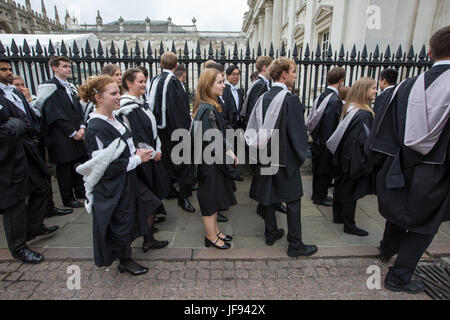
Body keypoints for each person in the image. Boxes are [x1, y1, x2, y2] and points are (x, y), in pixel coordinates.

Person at [367, 26, 450, 294]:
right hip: (438, 171)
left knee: (400, 209)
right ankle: (399, 276)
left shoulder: (404, 86)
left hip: (400, 164)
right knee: (425, 224)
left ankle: (387, 249)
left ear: (428, 52)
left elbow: (384, 131)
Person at [77, 76, 152, 275]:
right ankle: (125, 260)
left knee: (131, 215)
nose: (119, 96)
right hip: (113, 184)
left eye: (118, 92)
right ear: (98, 98)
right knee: (121, 221)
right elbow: (106, 167)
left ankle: (131, 252)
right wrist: (136, 159)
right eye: (114, 93)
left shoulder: (114, 117)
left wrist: (137, 152)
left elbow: (122, 149)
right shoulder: (96, 128)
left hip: (126, 179)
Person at [245, 58, 317, 257]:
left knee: (268, 196)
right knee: (293, 201)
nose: (295, 75)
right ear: (284, 74)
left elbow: (254, 127)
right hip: (285, 158)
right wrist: (300, 157)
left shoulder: (264, 97)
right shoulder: (290, 99)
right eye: (293, 71)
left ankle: (271, 233)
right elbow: (298, 133)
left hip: (265, 155)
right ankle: (295, 244)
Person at [0, 61, 72, 219]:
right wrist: (17, 124)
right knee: (29, 187)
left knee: (44, 180)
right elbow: (9, 120)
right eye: (4, 69)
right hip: (14, 146)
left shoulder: (14, 92)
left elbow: (26, 115)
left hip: (32, 140)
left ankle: (44, 213)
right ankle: (28, 227)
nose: (9, 72)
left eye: (10, 69)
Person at [116, 68, 170, 250]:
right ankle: (146, 237)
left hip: (151, 156)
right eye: (140, 81)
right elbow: (137, 138)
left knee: (153, 196)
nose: (144, 84)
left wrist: (158, 148)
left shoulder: (141, 103)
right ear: (129, 83)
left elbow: (153, 131)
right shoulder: (127, 107)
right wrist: (153, 153)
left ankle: (148, 234)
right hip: (141, 162)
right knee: (149, 199)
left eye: (144, 81)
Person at [191, 68, 238, 250]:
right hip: (208, 163)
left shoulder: (209, 105)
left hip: (211, 162)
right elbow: (212, 137)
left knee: (214, 197)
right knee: (209, 199)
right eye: (219, 82)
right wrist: (229, 152)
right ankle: (210, 236)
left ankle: (216, 231)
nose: (223, 85)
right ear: (208, 85)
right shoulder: (207, 108)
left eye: (223, 81)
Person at [34, 56, 87, 209]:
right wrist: (72, 132)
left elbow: (78, 109)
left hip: (77, 131)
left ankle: (80, 191)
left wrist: (82, 126)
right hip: (60, 136)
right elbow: (54, 114)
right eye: (64, 66)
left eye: (69, 66)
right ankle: (67, 198)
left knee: (78, 163)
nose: (68, 69)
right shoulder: (49, 87)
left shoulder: (70, 87)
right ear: (55, 68)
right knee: (64, 169)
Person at [326, 77, 377, 236]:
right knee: (351, 194)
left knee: (341, 188)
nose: (376, 91)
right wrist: (362, 164)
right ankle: (349, 224)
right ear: (364, 91)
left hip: (342, 158)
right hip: (353, 160)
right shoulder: (363, 113)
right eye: (373, 88)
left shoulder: (350, 108)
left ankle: (338, 216)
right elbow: (363, 142)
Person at [0, 93, 46, 264]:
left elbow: (23, 119)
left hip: (22, 156)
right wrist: (14, 125)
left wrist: (14, 123)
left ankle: (32, 229)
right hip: (5, 164)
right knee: (13, 206)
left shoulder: (2, 97)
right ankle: (18, 247)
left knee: (41, 188)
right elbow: (7, 131)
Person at [147, 52, 195, 213]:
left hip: (159, 130)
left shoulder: (155, 79)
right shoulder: (173, 82)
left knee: (166, 162)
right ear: (176, 65)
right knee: (183, 164)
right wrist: (184, 132)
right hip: (174, 129)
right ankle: (183, 197)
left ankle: (168, 190)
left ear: (161, 64)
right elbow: (179, 109)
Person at [241, 56, 287, 215]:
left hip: (263, 137)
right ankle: (265, 204)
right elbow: (257, 114)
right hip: (262, 138)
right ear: (264, 68)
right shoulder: (260, 86)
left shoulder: (261, 85)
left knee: (265, 172)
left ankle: (269, 202)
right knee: (264, 172)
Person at [306, 67, 346, 207]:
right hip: (325, 143)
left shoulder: (322, 95)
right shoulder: (334, 100)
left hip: (317, 140)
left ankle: (316, 195)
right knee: (323, 172)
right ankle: (320, 197)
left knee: (318, 171)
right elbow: (329, 126)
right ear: (341, 80)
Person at [222, 65, 244, 130]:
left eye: (238, 74)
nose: (236, 77)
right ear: (227, 76)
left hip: (238, 127)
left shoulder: (239, 91)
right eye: (234, 74)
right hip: (227, 127)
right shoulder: (224, 89)